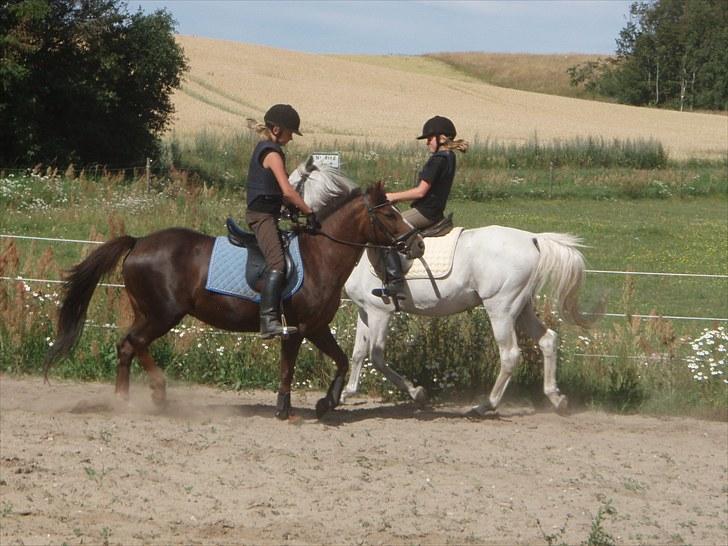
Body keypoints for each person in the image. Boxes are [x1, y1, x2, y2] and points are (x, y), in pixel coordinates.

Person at [373, 115, 469, 299]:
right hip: (434, 211)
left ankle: (395, 282)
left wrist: (392, 197)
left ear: (441, 138)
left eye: (429, 138)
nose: (427, 143)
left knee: (384, 230)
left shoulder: (438, 159)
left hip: (425, 212)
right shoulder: (450, 157)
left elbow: (420, 192)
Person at [246, 104, 316, 338]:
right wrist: (309, 211)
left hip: (269, 213)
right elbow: (287, 190)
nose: (291, 139)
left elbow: (276, 192)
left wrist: (288, 210)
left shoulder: (269, 149)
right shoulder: (272, 153)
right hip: (261, 217)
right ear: (276, 129)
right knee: (278, 264)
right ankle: (268, 321)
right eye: (290, 133)